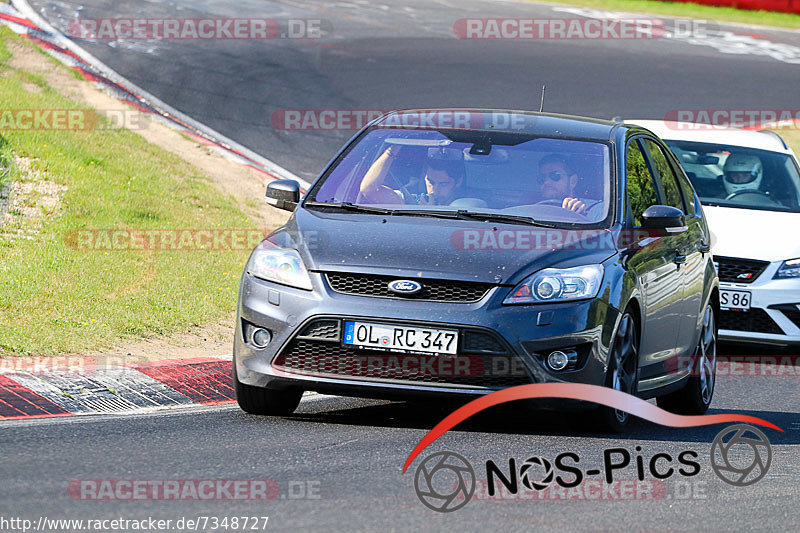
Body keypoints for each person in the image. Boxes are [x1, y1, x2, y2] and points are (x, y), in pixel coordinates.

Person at [360, 145, 465, 206]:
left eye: (444, 184)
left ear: (458, 182)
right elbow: (370, 189)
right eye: (431, 182)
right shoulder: (412, 201)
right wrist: (393, 148)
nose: (434, 190)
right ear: (424, 178)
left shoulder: (473, 209)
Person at [536, 154, 601, 217]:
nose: (546, 182)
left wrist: (580, 217)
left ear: (573, 181)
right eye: (542, 178)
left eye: (555, 175)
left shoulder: (595, 211)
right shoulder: (533, 212)